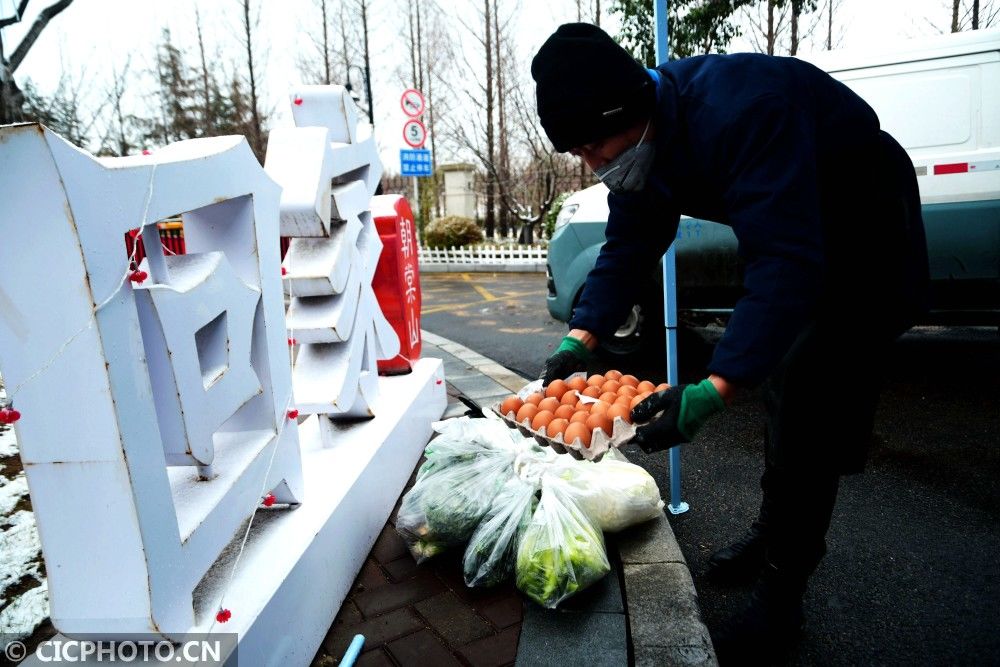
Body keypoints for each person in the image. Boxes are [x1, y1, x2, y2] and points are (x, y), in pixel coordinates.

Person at [532, 23, 930, 662]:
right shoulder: (646, 142)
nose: (595, 162)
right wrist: (583, 336)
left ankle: (783, 593)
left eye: (597, 142)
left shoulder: (742, 111)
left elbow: (785, 264)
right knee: (781, 388)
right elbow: (631, 241)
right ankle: (773, 533)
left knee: (812, 409)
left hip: (864, 238)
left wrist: (711, 392)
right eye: (580, 151)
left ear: (632, 110)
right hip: (794, 231)